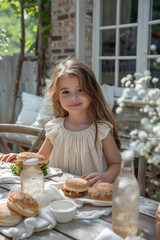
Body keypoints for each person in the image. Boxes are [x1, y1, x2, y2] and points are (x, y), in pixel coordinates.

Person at [0, 57, 121, 186]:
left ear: (92, 91)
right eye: (65, 92)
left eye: (80, 90)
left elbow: (116, 164)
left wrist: (106, 176)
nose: (73, 97)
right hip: (60, 195)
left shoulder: (102, 129)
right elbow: (41, 159)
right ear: (58, 97)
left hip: (91, 193)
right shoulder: (55, 128)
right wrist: (20, 158)